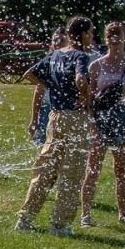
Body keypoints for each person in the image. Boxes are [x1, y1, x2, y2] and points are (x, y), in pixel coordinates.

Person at [15, 16, 93, 234]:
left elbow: (28, 74)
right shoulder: (81, 56)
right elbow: (80, 80)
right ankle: (60, 224)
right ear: (84, 34)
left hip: (54, 117)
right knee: (72, 172)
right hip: (75, 118)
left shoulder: (55, 54)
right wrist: (86, 96)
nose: (92, 36)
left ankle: (26, 217)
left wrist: (51, 86)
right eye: (91, 32)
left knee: (46, 168)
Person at [80, 21, 125, 230]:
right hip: (101, 119)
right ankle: (86, 214)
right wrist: (92, 125)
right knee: (93, 168)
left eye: (118, 34)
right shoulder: (96, 65)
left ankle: (124, 214)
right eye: (110, 35)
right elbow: (88, 102)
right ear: (105, 38)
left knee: (122, 169)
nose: (114, 38)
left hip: (123, 118)